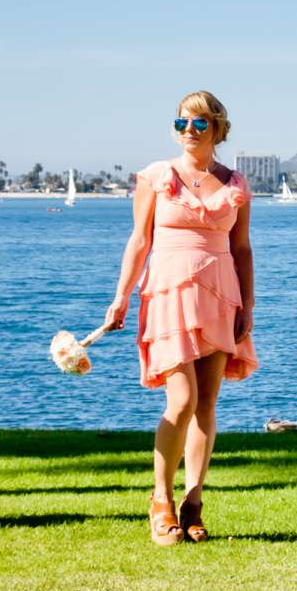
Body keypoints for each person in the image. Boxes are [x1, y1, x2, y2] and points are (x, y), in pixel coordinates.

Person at [100, 91, 257, 544]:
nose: (189, 131)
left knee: (207, 402)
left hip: (220, 294)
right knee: (182, 399)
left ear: (218, 129)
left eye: (199, 124)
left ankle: (193, 502)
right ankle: (160, 499)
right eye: (182, 123)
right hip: (169, 294)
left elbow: (241, 249)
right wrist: (121, 296)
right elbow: (139, 240)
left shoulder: (235, 184)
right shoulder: (156, 176)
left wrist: (248, 305)